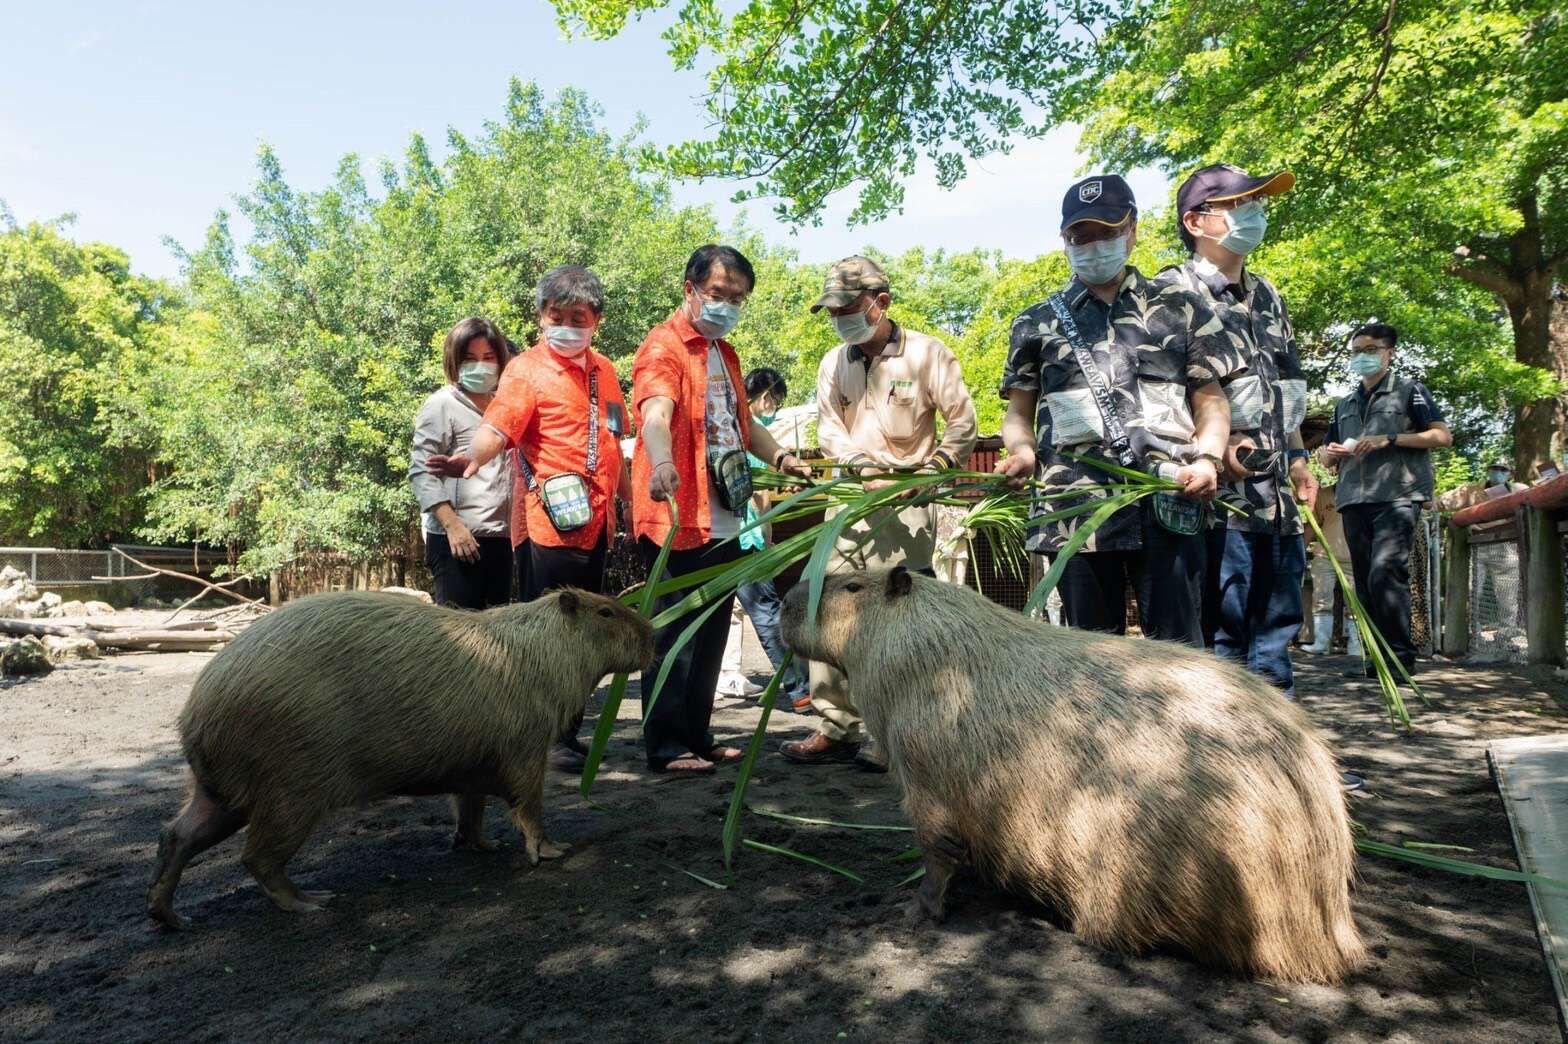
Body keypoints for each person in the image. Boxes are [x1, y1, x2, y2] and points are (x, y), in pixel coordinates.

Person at [995, 175, 1240, 645]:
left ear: (1132, 231)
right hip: (1073, 507)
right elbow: (1018, 412)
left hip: (1169, 500)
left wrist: (1209, 458)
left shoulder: (1183, 307)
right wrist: (1022, 452)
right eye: (1079, 237)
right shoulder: (1035, 322)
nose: (1093, 245)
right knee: (1088, 657)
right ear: (1064, 241)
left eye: (1107, 232)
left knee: (1181, 652)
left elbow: (1210, 399)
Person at [781, 255, 978, 770]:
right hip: (850, 500)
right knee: (824, 601)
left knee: (894, 616)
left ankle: (892, 732)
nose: (838, 318)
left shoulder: (929, 354)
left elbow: (962, 424)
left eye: (846, 308)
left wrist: (923, 473)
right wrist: (857, 464)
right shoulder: (833, 361)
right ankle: (835, 725)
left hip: (908, 504)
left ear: (880, 303)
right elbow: (828, 428)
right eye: (831, 312)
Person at [631, 245, 813, 775]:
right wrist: (662, 462)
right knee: (674, 632)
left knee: (710, 631)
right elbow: (656, 413)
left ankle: (697, 734)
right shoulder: (663, 347)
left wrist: (780, 455)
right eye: (718, 294)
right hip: (677, 512)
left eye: (738, 298)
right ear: (689, 289)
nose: (727, 305)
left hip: (726, 511)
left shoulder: (725, 353)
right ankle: (665, 746)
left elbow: (742, 425)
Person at [450, 265, 632, 771]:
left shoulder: (607, 372)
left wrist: (630, 501)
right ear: (540, 318)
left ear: (597, 319)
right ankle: (540, 738)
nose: (567, 326)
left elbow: (616, 439)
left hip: (597, 522)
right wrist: (473, 457)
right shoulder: (525, 371)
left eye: (578, 317)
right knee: (547, 635)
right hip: (548, 526)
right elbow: (499, 428)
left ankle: (566, 732)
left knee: (584, 635)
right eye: (557, 316)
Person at [1166, 163, 1317, 698]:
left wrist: (1300, 461)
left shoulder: (1269, 295)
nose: (1254, 212)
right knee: (1224, 644)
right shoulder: (1170, 293)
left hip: (1278, 503)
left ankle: (1292, 768)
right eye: (1238, 204)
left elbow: (1287, 392)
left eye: (1257, 201)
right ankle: (1234, 772)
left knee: (1277, 638)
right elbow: (1160, 400)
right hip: (1218, 507)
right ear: (1196, 221)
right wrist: (1210, 453)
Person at [1318, 323, 1452, 676]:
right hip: (1353, 499)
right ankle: (1374, 660)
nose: (1362, 356)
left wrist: (1389, 438)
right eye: (1356, 350)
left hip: (1398, 495)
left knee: (1386, 571)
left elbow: (1441, 436)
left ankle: (1399, 659)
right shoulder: (1344, 403)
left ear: (1389, 352)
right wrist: (1329, 455)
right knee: (1363, 581)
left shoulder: (1410, 391)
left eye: (1371, 348)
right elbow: (1325, 456)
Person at [716, 367, 812, 708]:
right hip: (748, 536)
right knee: (768, 611)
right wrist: (767, 537)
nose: (775, 409)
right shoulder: (752, 437)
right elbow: (761, 496)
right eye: (776, 401)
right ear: (766, 397)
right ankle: (800, 688)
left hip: (726, 533)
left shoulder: (727, 429)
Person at [409, 317, 514, 611]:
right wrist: (452, 526)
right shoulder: (441, 404)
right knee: (459, 643)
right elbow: (421, 471)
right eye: (470, 359)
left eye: (489, 357)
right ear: (454, 362)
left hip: (500, 538)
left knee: (496, 641)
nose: (481, 365)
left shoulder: (504, 406)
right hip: (457, 540)